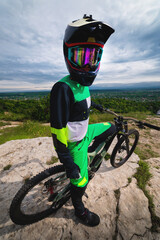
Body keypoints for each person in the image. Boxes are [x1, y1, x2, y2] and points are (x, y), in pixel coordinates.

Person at [50, 14, 115, 227]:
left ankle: (89, 153)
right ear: (68, 55)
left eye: (93, 58)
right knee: (81, 180)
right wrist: (68, 162)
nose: (88, 65)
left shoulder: (83, 86)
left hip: (86, 133)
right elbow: (57, 130)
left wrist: (96, 107)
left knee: (111, 128)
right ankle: (79, 209)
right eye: (81, 57)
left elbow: (82, 103)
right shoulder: (63, 88)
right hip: (74, 143)